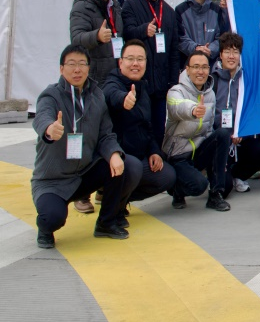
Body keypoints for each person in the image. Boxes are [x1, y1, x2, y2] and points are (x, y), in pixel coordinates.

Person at [31, 45, 140, 247]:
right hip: (53, 181)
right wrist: (49, 129)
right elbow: (42, 117)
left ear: (89, 68)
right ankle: (45, 228)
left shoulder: (96, 95)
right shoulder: (51, 95)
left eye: (82, 64)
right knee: (52, 218)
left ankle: (106, 223)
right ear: (61, 68)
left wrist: (114, 153)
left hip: (83, 174)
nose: (77, 69)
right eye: (71, 64)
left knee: (125, 164)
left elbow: (106, 134)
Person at [102, 40, 177, 213]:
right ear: (121, 62)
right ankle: (113, 205)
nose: (135, 63)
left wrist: (154, 151)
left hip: (138, 157)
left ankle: (121, 197)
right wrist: (123, 99)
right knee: (134, 167)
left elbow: (147, 127)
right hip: (115, 158)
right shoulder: (112, 82)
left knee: (167, 176)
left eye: (140, 59)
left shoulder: (143, 87)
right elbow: (110, 94)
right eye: (130, 59)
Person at [162, 51, 232, 211]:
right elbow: (177, 106)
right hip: (178, 155)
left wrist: (215, 160)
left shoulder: (210, 94)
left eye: (204, 67)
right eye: (196, 67)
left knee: (222, 134)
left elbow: (209, 129)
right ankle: (176, 190)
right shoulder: (176, 91)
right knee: (198, 186)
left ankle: (215, 195)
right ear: (187, 69)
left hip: (197, 151)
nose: (200, 71)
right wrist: (193, 110)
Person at [123, 0, 182, 149]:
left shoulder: (170, 13)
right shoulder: (130, 5)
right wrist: (143, 31)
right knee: (137, 128)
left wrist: (173, 83)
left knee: (158, 129)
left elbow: (174, 51)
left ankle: (156, 160)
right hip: (138, 83)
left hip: (161, 85)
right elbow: (126, 34)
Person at [212, 32, 260, 192]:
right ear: (220, 54)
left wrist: (242, 131)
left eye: (235, 52)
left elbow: (253, 111)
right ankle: (223, 175)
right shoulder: (212, 80)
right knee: (224, 188)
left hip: (240, 139)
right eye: (227, 52)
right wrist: (223, 134)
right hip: (220, 140)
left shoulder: (246, 80)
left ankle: (238, 175)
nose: (231, 56)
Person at [69, 0, 124, 87]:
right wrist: (97, 36)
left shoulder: (115, 6)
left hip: (114, 77)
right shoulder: (82, 6)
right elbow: (76, 39)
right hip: (92, 80)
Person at [176, 0, 228, 68]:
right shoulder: (180, 10)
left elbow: (221, 38)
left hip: (211, 67)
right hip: (187, 66)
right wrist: (196, 48)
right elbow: (180, 38)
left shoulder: (216, 10)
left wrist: (210, 50)